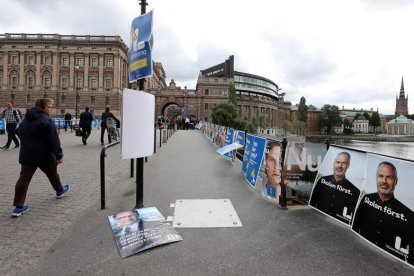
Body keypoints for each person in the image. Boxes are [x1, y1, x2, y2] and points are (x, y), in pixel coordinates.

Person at [11, 98, 70, 217]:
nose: (51, 109)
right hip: (45, 155)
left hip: (28, 155)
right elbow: (54, 141)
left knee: (23, 179)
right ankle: (59, 191)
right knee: (53, 173)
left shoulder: (25, 120)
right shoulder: (47, 120)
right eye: (50, 107)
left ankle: (18, 207)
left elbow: (20, 132)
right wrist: (59, 155)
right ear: (43, 107)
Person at [352, 161, 414, 264]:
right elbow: (355, 226)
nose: (384, 181)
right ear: (376, 178)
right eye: (381, 176)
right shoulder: (366, 198)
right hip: (359, 256)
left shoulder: (409, 215)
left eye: (389, 177)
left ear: (396, 181)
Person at [309, 151, 360, 225]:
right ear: (334, 163)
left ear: (348, 166)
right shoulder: (322, 180)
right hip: (317, 222)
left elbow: (352, 219)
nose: (340, 165)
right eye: (338, 162)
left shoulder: (355, 191)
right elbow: (313, 202)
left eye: (344, 163)